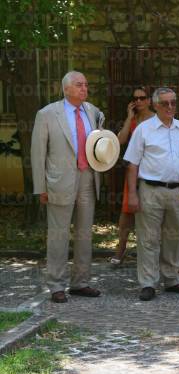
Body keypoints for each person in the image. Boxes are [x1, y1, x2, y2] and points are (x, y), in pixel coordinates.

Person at [31, 71, 104, 303]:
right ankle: (56, 285)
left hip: (87, 178)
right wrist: (40, 186)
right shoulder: (47, 114)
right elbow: (38, 153)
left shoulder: (92, 111)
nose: (84, 88)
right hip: (58, 181)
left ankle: (80, 282)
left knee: (84, 234)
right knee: (58, 234)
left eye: (86, 84)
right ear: (66, 89)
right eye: (79, 85)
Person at [123, 87, 179, 301]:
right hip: (150, 190)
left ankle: (172, 279)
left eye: (173, 102)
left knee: (175, 237)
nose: (170, 107)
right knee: (148, 239)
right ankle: (148, 283)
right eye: (165, 103)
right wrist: (132, 195)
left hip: (178, 191)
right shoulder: (144, 129)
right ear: (155, 105)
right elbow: (132, 164)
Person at [110, 86, 154, 266]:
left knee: (150, 214)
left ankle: (149, 253)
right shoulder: (134, 120)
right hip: (133, 171)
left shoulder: (155, 120)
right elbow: (119, 140)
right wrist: (129, 117)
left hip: (151, 172)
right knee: (127, 212)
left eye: (142, 98)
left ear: (149, 100)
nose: (138, 101)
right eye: (135, 98)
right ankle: (120, 249)